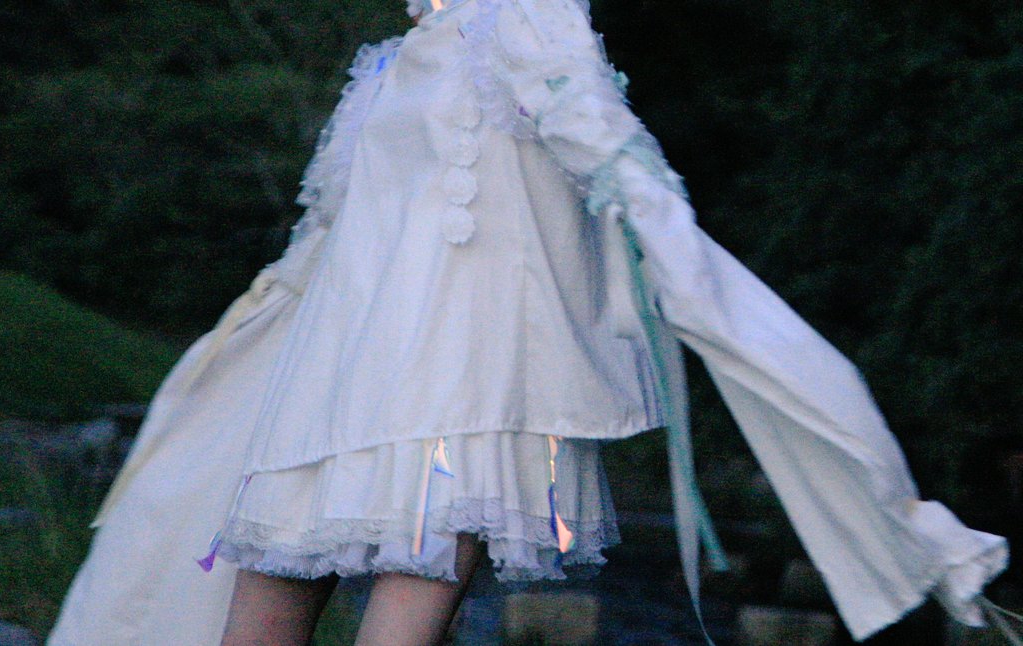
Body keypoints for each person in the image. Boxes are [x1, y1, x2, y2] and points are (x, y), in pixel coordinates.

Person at [49, 0, 1010, 643]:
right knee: (252, 627)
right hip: (329, 399)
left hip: (464, 399)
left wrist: (688, 268)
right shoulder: (393, 60)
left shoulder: (530, 16)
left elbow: (606, 149)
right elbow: (325, 249)